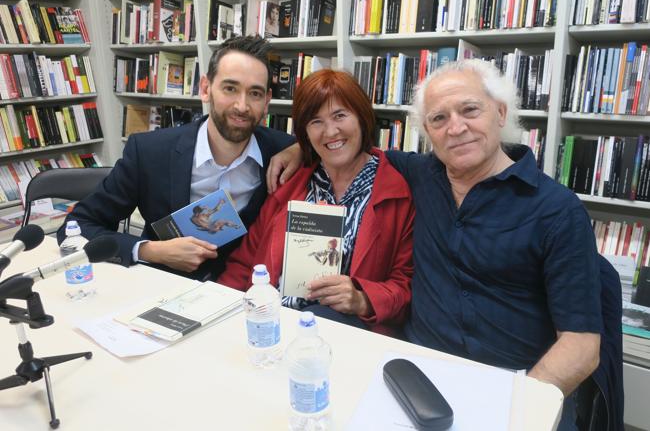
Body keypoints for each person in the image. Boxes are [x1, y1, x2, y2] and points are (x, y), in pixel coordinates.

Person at [267, 60, 603, 429]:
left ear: (501, 112)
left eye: (470, 110)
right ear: (426, 131)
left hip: (514, 385)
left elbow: (581, 347)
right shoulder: (420, 175)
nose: (456, 128)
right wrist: (296, 149)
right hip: (415, 377)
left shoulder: (557, 210)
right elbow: (342, 146)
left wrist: (518, 410)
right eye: (439, 119)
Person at [57, 36, 294, 281]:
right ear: (205, 89)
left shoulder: (283, 150)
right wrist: (152, 251)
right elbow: (77, 226)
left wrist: (298, 150)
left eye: (254, 93)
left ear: (266, 102)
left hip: (246, 294)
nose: (242, 106)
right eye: (230, 88)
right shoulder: (150, 152)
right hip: (164, 288)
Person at [219, 69, 414, 334]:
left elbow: (404, 287)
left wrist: (362, 299)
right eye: (316, 121)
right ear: (304, 133)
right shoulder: (289, 185)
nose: (331, 132)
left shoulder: (395, 194)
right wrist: (217, 312)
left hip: (342, 335)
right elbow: (245, 263)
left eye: (340, 116)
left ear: (361, 118)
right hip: (270, 324)